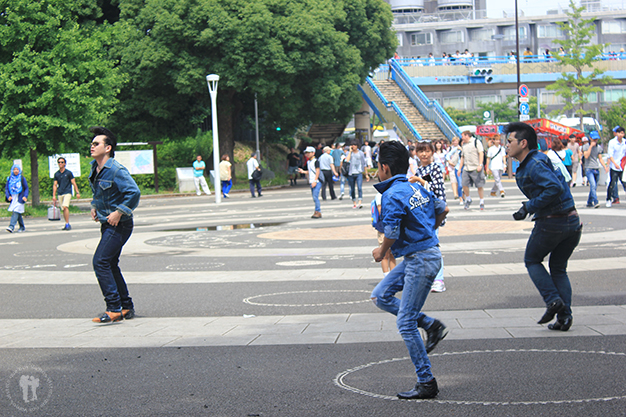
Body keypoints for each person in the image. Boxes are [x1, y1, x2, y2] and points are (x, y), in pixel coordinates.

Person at [370, 140, 449, 400]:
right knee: (380, 295)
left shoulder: (392, 194)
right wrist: (428, 231)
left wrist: (381, 252)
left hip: (421, 259)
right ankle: (429, 324)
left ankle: (426, 382)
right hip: (421, 256)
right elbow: (442, 208)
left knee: (405, 322)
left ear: (385, 168)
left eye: (378, 167)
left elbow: (390, 231)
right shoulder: (416, 187)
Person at [505, 122, 581, 332]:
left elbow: (554, 187)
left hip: (552, 221)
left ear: (523, 143)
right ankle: (564, 318)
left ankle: (553, 300)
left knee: (532, 260)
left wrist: (528, 207)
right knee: (558, 268)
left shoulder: (534, 164)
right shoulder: (540, 158)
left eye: (510, 141)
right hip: (572, 220)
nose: (506, 146)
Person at [88, 126, 141, 323]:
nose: (91, 146)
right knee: (110, 263)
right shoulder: (96, 168)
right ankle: (126, 306)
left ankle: (113, 309)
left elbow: (134, 193)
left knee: (100, 262)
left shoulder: (116, 170)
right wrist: (95, 206)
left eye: (96, 144)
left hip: (120, 225)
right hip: (107, 223)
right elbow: (99, 193)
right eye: (92, 143)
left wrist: (119, 212)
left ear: (108, 147)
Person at [410, 141, 447, 293]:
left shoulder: (436, 168)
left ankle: (439, 279)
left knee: (433, 246)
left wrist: (419, 181)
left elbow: (436, 190)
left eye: (426, 151)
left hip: (434, 213)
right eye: (420, 151)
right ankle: (430, 278)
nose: (424, 154)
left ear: (432, 152)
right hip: (423, 214)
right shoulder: (419, 170)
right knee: (425, 247)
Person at [52, 157, 81, 230]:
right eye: (59, 162)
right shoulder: (57, 174)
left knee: (65, 206)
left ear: (65, 163)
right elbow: (55, 185)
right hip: (60, 192)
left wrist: (77, 192)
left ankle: (67, 223)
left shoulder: (68, 173)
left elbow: (73, 183)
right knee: (63, 209)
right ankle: (66, 223)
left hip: (67, 192)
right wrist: (54, 195)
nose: (60, 164)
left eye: (62, 162)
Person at [459, 131, 486, 210]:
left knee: (479, 185)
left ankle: (481, 201)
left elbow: (481, 153)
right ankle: (468, 199)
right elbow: (462, 157)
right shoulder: (464, 145)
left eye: (463, 136)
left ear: (467, 135)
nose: (462, 138)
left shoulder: (476, 142)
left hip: (476, 167)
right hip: (466, 168)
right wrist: (460, 168)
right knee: (464, 184)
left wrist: (480, 164)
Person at [582, 132, 607, 208]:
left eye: (596, 139)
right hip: (589, 168)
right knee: (592, 185)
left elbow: (600, 158)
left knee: (594, 186)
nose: (595, 140)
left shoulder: (599, 147)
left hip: (596, 168)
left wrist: (605, 166)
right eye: (594, 139)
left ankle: (589, 202)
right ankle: (595, 201)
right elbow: (586, 156)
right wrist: (590, 147)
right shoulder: (585, 146)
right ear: (590, 138)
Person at [298, 146, 323, 218]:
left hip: (316, 181)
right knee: (314, 197)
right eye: (306, 153)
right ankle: (317, 211)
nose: (307, 154)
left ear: (313, 153)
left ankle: (318, 211)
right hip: (311, 181)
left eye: (309, 153)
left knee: (315, 197)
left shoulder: (316, 161)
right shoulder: (309, 162)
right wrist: (303, 172)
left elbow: (317, 171)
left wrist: (315, 181)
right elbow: (310, 171)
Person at [605, 126, 626, 207]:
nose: (621, 135)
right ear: (616, 134)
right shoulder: (612, 142)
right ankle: (608, 199)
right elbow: (610, 155)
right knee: (612, 183)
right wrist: (614, 164)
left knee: (624, 183)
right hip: (614, 166)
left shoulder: (624, 142)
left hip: (622, 167)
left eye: (622, 133)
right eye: (619, 133)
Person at [5, 165, 28, 233]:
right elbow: (6, 188)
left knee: (16, 211)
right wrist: (8, 196)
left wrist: (25, 196)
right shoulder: (9, 178)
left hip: (20, 198)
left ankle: (11, 226)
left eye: (17, 169)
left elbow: (26, 188)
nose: (16, 171)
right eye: (14, 169)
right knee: (17, 213)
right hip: (13, 198)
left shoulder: (22, 178)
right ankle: (22, 226)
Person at [346, 141, 367, 209]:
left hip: (359, 173)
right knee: (352, 189)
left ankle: (360, 202)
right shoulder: (349, 153)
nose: (353, 146)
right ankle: (354, 202)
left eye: (355, 145)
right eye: (352, 145)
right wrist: (349, 151)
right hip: (351, 173)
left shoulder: (360, 153)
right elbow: (347, 160)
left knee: (359, 188)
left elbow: (364, 163)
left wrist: (366, 174)